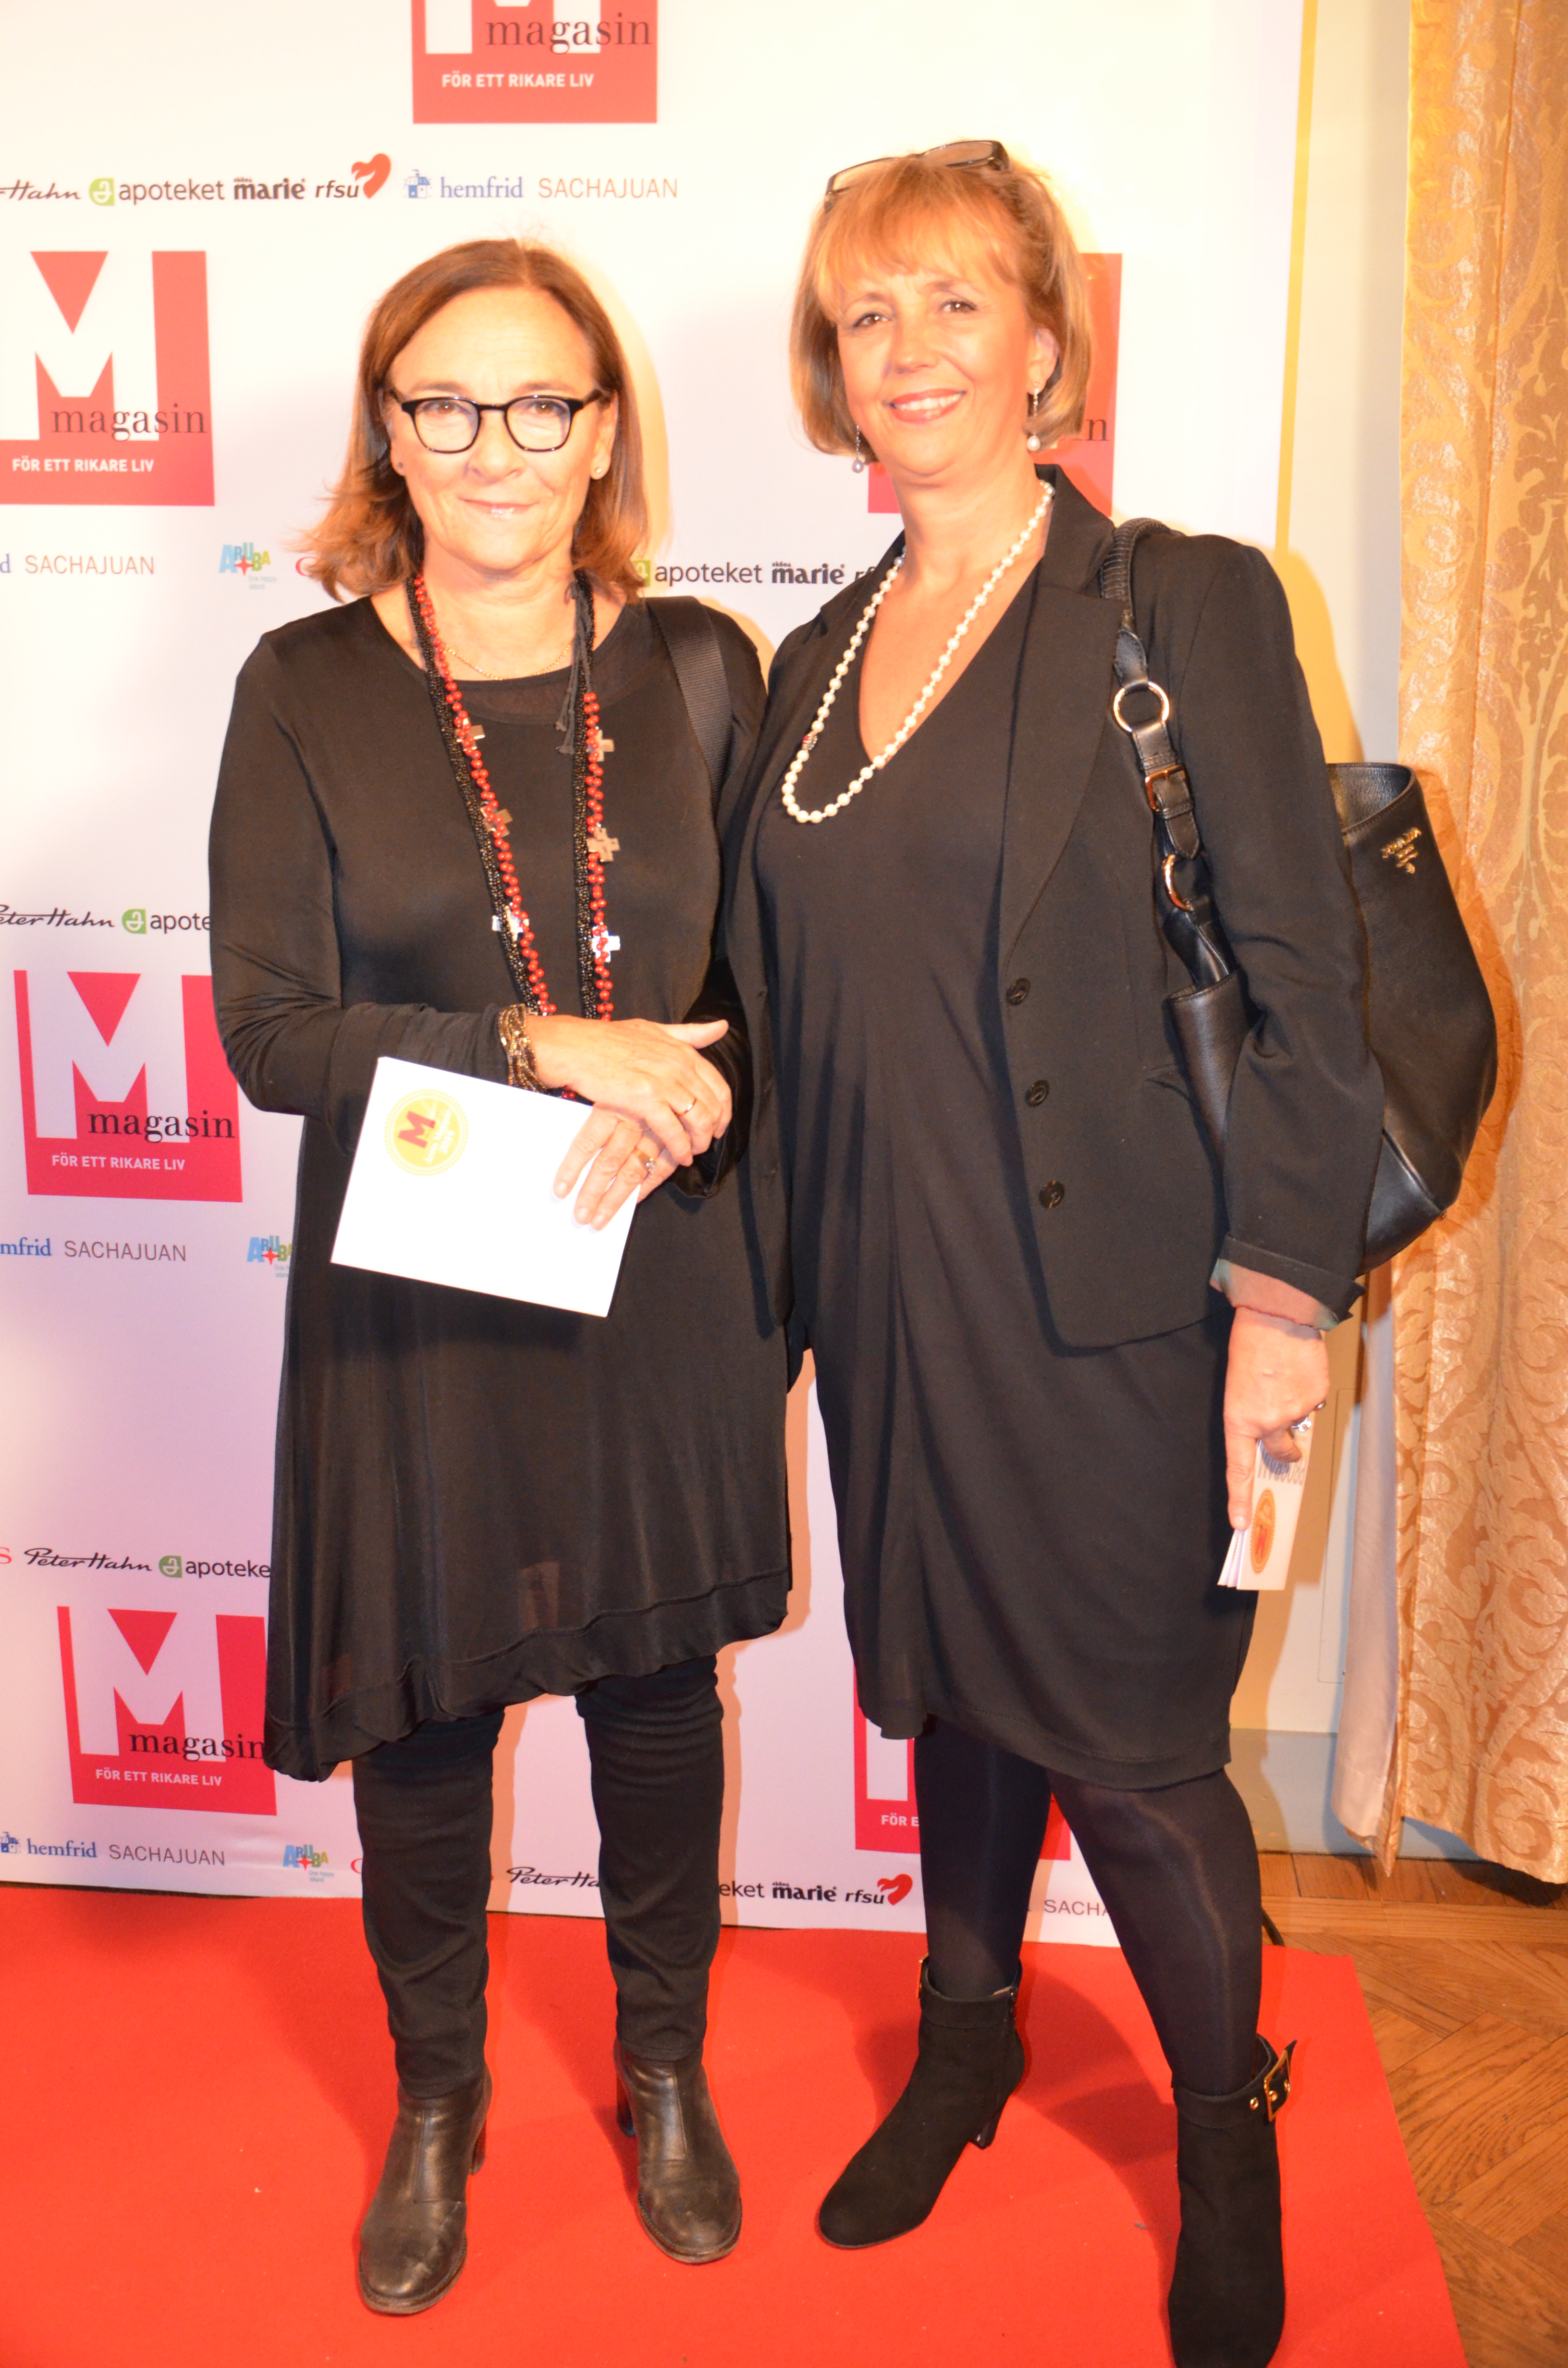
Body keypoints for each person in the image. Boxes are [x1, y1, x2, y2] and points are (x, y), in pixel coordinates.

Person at [723, 147, 1384, 2368]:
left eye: (952, 303)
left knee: (1136, 1748)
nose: (907, 350)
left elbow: (1306, 974)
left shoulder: (1168, 603)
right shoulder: (812, 663)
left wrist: (1282, 1303)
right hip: (888, 1297)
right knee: (955, 1689)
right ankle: (970, 2033)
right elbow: (781, 1006)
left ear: (1041, 342)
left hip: (1119, 1317)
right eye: (866, 314)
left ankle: (1227, 2135)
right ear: (830, 365)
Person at [208, 238, 789, 2315]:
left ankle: (665, 2070)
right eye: (445, 404)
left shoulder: (706, 669)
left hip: (656, 1263)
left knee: (658, 1696)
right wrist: (545, 1051)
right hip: (423, 1290)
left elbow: (771, 998)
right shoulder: (302, 687)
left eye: (542, 403)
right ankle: (438, 2098)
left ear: (605, 430)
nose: (496, 447)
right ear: (389, 428)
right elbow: (270, 1036)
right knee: (432, 1715)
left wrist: (688, 1095)